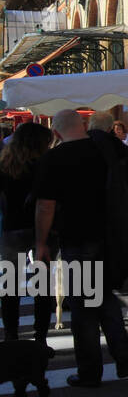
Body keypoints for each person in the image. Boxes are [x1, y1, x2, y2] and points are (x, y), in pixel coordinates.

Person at [33, 110, 128, 387]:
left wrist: (41, 243)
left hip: (77, 239)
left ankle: (90, 371)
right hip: (110, 237)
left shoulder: (53, 158)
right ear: (84, 125)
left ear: (56, 133)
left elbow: (46, 206)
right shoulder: (106, 151)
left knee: (83, 308)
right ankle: (122, 352)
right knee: (103, 296)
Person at [0, 122, 55, 344]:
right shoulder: (47, 165)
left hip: (12, 228)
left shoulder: (5, 164)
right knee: (42, 285)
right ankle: (40, 336)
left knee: (10, 286)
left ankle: (11, 334)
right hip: (43, 228)